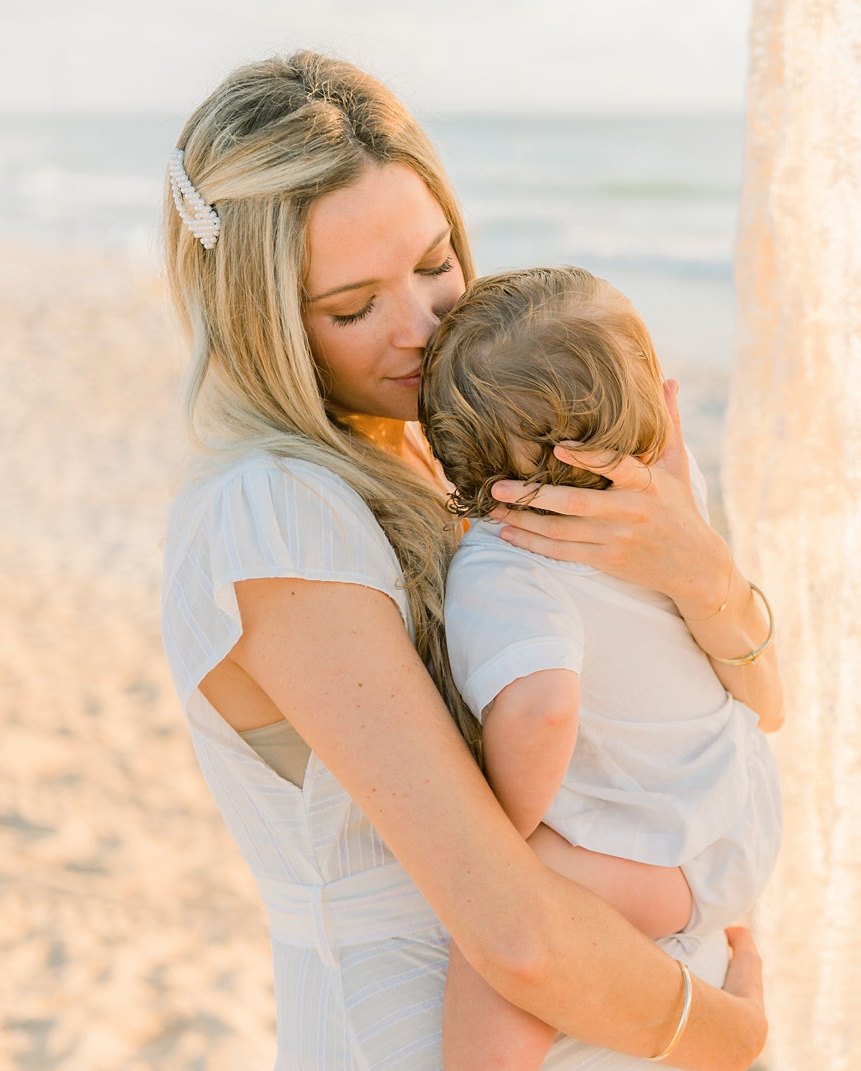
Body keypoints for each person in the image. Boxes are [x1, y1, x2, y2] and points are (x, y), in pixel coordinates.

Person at [157, 51, 775, 1069]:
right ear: (266, 325)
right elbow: (516, 930)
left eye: (436, 263)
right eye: (352, 308)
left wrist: (697, 569)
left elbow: (767, 709)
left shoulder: (460, 457)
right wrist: (731, 1037)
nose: (423, 326)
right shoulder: (276, 514)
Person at [418, 266, 785, 1070]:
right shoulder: (666, 507)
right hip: (739, 810)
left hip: (662, 862)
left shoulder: (508, 563)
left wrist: (505, 831)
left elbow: (544, 706)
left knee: (500, 918)